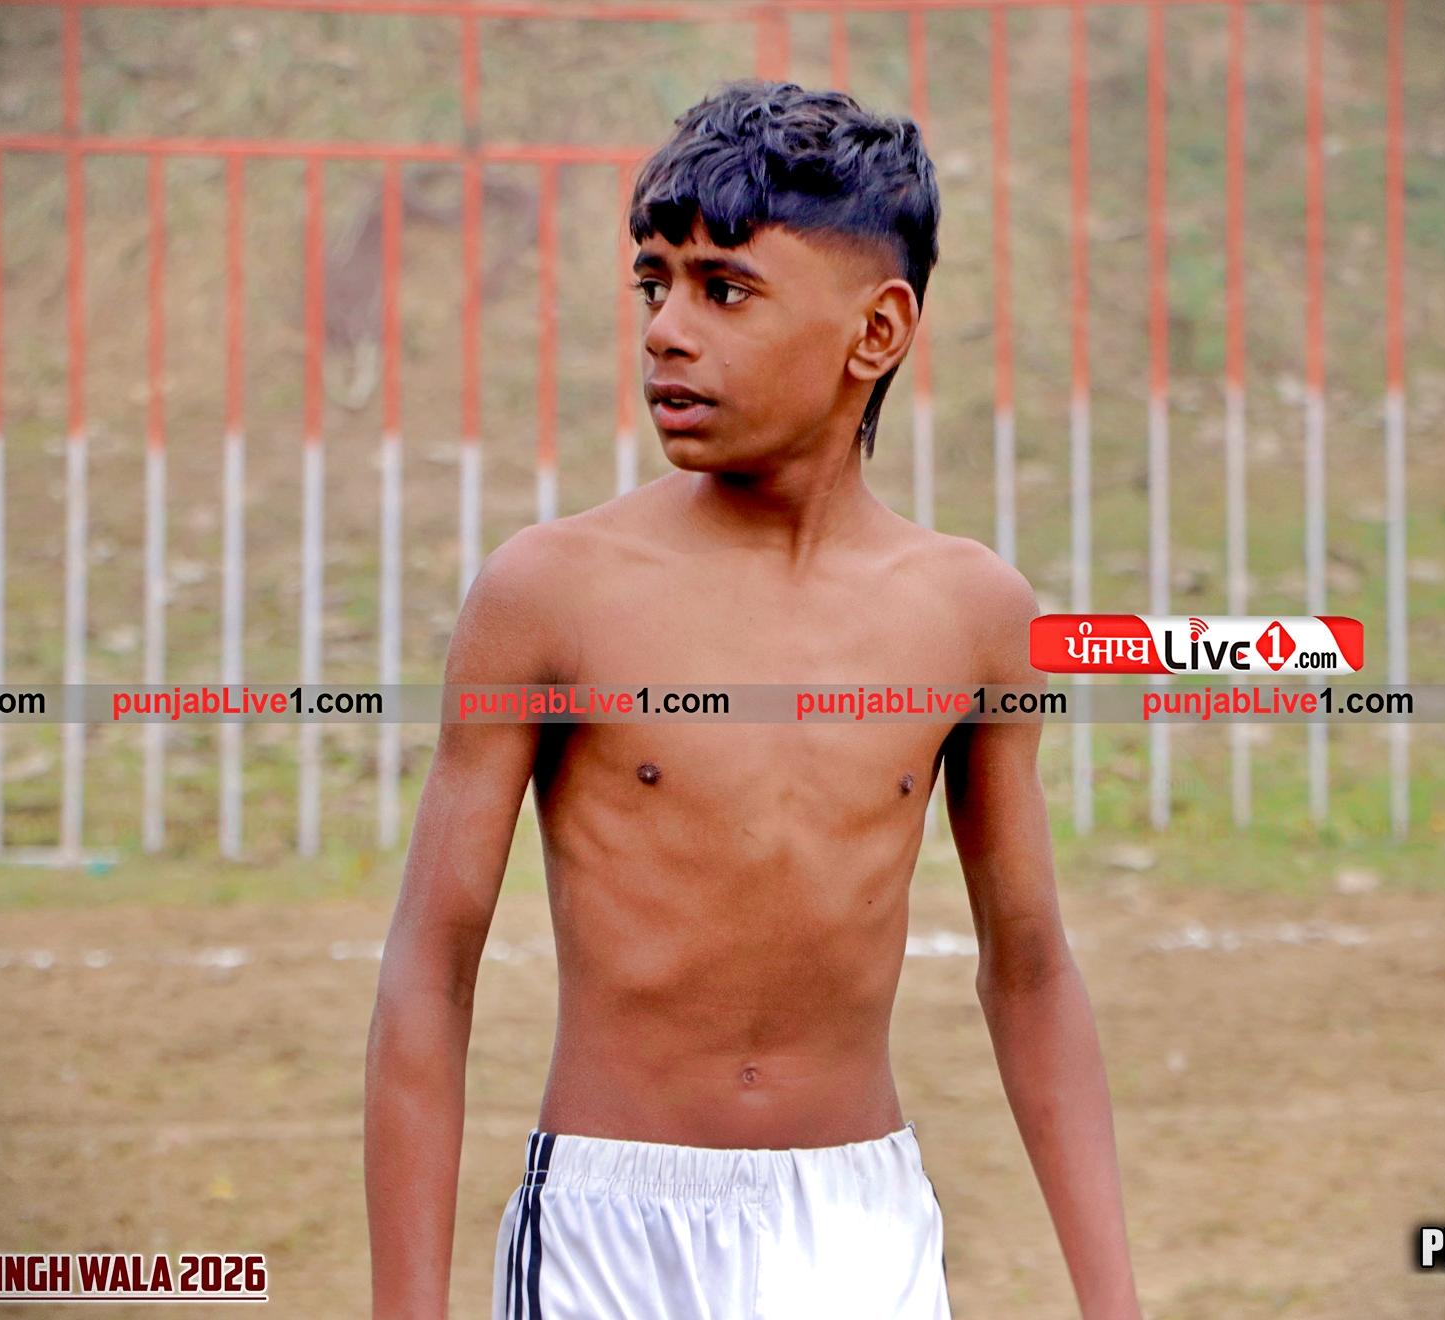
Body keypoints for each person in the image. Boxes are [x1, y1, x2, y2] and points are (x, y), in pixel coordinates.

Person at [365, 81, 1141, 1320]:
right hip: (605, 1237)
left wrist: (1114, 1301)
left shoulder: (973, 613)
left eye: (724, 291)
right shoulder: (550, 592)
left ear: (875, 332)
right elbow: (429, 967)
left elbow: (1031, 970)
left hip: (861, 1231)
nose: (667, 331)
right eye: (654, 285)